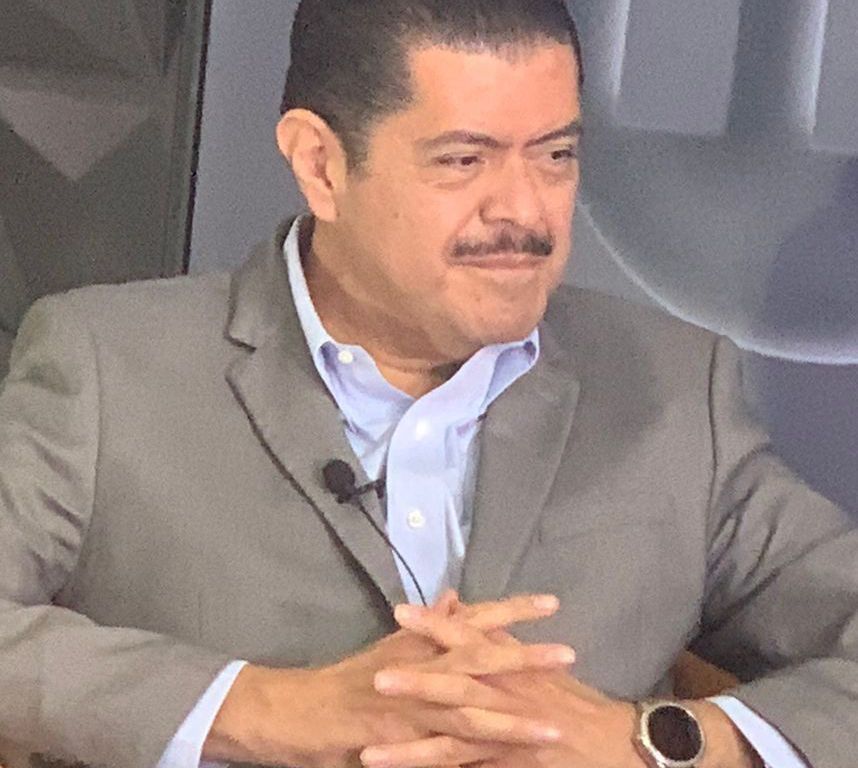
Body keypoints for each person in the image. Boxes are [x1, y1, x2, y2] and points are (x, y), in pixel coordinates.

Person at [0, 1, 856, 766]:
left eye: (556, 155)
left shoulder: (671, 389)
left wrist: (652, 743)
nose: (525, 211)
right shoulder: (108, 366)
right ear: (320, 165)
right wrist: (264, 709)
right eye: (463, 160)